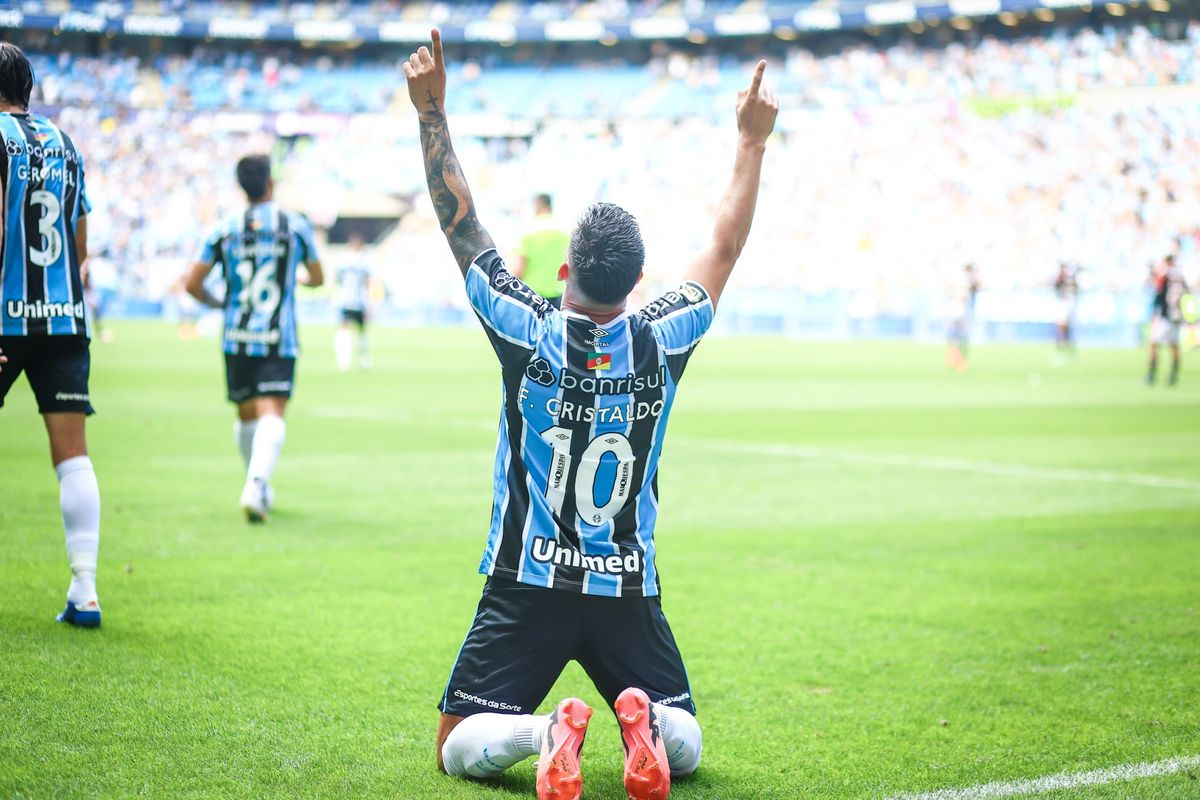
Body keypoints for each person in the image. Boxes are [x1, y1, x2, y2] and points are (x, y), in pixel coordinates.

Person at [402, 31, 777, 800]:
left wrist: (431, 111)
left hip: (527, 580)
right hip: (626, 585)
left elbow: (460, 225)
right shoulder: (662, 338)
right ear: (640, 280)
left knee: (453, 747)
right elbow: (724, 247)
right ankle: (645, 727)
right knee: (690, 744)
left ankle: (544, 733)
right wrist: (750, 142)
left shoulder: (523, 327)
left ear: (565, 270)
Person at [0, 42, 103, 627]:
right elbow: (80, 246)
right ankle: (85, 589)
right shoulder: (67, 143)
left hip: (3, 318)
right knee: (73, 458)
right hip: (64, 318)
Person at [184, 155, 323, 522]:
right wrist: (294, 278)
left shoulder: (224, 227)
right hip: (279, 337)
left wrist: (222, 304)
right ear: (271, 184)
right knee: (272, 412)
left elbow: (192, 283)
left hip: (236, 335)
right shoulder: (294, 226)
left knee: (246, 416)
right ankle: (256, 484)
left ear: (241, 187)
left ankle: (256, 483)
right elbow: (319, 276)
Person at [514, 193, 571, 308]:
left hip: (532, 295)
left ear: (536, 206)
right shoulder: (565, 231)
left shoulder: (527, 231)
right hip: (559, 294)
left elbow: (518, 268)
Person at [1147, 253, 1189, 386]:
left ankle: (1152, 375)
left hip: (1166, 316)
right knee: (1174, 345)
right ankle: (1173, 375)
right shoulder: (1181, 277)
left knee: (1154, 344)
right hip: (1177, 317)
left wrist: (1155, 313)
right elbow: (1187, 295)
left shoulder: (1165, 277)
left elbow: (1159, 296)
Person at [334, 232, 374, 371]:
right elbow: (367, 281)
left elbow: (337, 279)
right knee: (362, 331)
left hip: (345, 299)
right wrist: (369, 301)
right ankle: (363, 359)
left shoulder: (342, 259)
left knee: (344, 328)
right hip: (359, 300)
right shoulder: (364, 259)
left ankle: (343, 361)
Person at [945, 263, 980, 372]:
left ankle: (956, 359)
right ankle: (956, 359)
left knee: (958, 338)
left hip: (959, 312)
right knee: (958, 337)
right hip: (958, 312)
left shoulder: (963, 282)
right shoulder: (963, 282)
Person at [1053, 262, 1079, 360]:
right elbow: (1056, 287)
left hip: (1067, 305)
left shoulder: (1070, 280)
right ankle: (1062, 348)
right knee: (1060, 327)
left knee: (1066, 328)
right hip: (1062, 304)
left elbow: (1075, 290)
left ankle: (1068, 349)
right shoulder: (1060, 280)